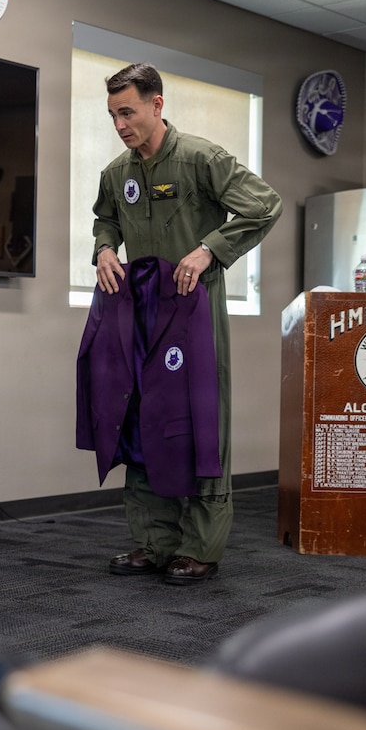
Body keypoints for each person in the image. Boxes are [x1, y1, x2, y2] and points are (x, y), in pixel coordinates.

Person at [91, 63, 282, 584]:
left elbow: (264, 205)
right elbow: (105, 217)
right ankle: (153, 543)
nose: (120, 124)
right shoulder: (117, 172)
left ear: (157, 105)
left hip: (194, 313)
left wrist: (209, 252)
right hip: (141, 314)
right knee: (139, 422)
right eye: (112, 114)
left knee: (198, 423)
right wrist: (105, 248)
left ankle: (200, 546)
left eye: (127, 111)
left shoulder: (203, 158)